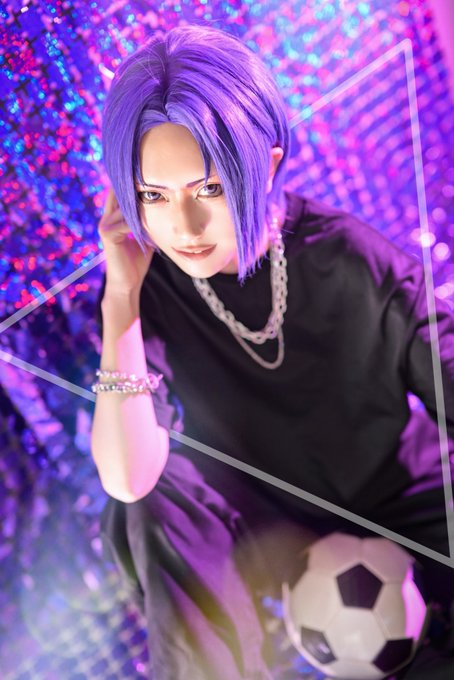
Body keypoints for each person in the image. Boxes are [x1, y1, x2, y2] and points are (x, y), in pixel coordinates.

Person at [90, 23, 454, 680]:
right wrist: (121, 297)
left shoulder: (350, 259)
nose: (183, 227)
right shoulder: (149, 288)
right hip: (260, 532)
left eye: (209, 189)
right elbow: (128, 480)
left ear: (267, 163)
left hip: (399, 496)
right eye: (153, 195)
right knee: (156, 490)